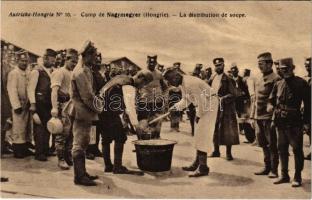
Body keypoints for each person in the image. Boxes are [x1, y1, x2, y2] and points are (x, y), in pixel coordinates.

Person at [98, 70, 153, 175]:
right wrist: (136, 125)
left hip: (100, 111)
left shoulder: (120, 77)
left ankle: (108, 166)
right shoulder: (129, 85)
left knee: (106, 139)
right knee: (121, 137)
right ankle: (117, 167)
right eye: (144, 83)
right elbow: (130, 107)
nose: (143, 86)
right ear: (140, 78)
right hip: (110, 113)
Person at [163, 67, 215, 177]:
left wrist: (199, 115)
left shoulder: (190, 83)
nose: (169, 83)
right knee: (198, 135)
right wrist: (176, 107)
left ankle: (203, 167)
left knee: (202, 135)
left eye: (170, 80)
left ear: (176, 77)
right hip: (204, 105)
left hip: (210, 104)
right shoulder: (184, 83)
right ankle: (197, 163)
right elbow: (186, 100)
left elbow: (202, 101)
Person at [269, 58, 310, 187]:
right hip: (280, 121)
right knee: (281, 148)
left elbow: (309, 104)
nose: (284, 71)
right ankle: (284, 175)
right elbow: (271, 100)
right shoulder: (278, 84)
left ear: (292, 68)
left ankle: (297, 176)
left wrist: (306, 122)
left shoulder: (301, 83)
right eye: (282, 69)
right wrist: (272, 109)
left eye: (287, 69)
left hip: (295, 121)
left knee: (297, 149)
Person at [69, 41, 102, 186]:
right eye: (94, 55)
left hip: (85, 111)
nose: (95, 58)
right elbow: (88, 96)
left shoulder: (86, 69)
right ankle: (79, 176)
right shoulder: (81, 71)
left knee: (84, 141)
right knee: (79, 143)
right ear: (87, 55)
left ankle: (82, 172)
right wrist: (100, 107)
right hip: (80, 112)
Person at [252, 52, 280, 178]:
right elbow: (255, 99)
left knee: (272, 144)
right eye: (258, 64)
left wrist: (274, 117)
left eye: (261, 63)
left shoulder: (276, 78)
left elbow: (278, 100)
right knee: (263, 143)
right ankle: (267, 167)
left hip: (269, 118)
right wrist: (253, 117)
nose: (259, 66)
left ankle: (274, 170)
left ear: (270, 64)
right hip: (259, 117)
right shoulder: (258, 78)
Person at [50, 48, 79, 169]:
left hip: (72, 106)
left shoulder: (73, 73)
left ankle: (67, 156)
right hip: (63, 106)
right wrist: (54, 108)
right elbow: (54, 91)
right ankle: (60, 158)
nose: (74, 64)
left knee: (71, 133)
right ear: (66, 59)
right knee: (62, 133)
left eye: (76, 62)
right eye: (72, 61)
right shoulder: (59, 72)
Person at [28, 49, 57, 161]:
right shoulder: (36, 71)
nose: (53, 62)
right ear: (45, 58)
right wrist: (33, 104)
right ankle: (39, 152)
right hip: (39, 104)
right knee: (39, 128)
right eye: (51, 60)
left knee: (48, 127)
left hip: (48, 104)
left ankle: (45, 150)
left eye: (54, 60)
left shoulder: (52, 71)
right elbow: (30, 89)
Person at [208, 58, 239, 161]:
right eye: (216, 65)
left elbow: (234, 94)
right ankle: (216, 151)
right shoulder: (213, 78)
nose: (218, 67)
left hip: (226, 108)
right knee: (214, 129)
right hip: (214, 107)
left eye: (220, 65)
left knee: (227, 130)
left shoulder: (228, 78)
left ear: (223, 65)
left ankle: (228, 153)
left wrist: (223, 98)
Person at [7, 51, 33, 158]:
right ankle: (17, 150)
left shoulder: (27, 72)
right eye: (22, 61)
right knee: (18, 127)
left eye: (26, 61)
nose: (24, 63)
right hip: (18, 104)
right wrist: (16, 105)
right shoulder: (14, 73)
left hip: (26, 103)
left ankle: (25, 148)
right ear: (17, 61)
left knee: (26, 127)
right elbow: (11, 90)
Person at [137, 55, 167, 139]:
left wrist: (162, 96)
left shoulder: (159, 74)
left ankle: (156, 138)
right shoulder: (141, 72)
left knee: (157, 120)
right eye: (150, 62)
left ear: (156, 63)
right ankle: (141, 140)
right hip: (144, 101)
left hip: (157, 101)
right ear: (147, 62)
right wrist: (137, 98)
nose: (151, 64)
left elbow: (164, 87)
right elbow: (136, 86)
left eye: (153, 62)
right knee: (143, 121)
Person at [230, 64, 254, 143]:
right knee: (237, 119)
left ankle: (250, 137)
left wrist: (245, 98)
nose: (234, 72)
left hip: (242, 102)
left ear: (237, 71)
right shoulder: (230, 80)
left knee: (245, 119)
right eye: (232, 71)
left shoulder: (242, 80)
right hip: (234, 102)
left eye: (235, 71)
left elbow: (247, 90)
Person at [303, 57, 311, 160]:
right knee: (309, 131)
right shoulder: (305, 79)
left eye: (309, 66)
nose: (308, 68)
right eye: (306, 66)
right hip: (307, 109)